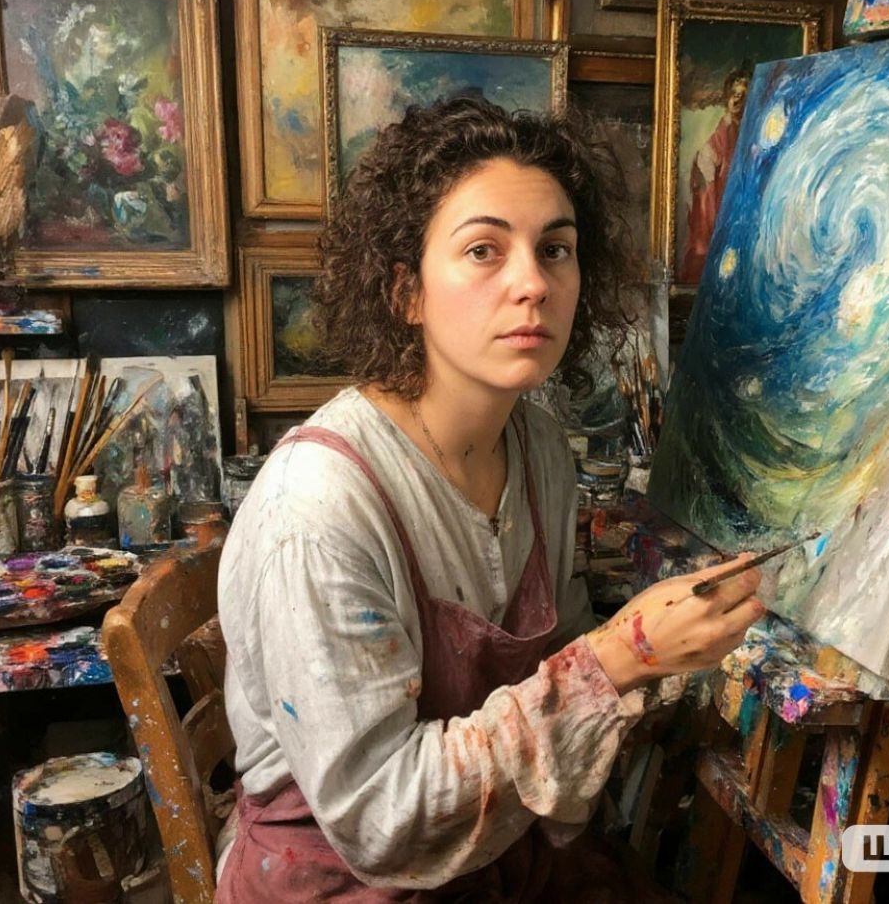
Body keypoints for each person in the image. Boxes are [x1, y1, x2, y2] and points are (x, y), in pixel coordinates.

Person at [215, 96, 765, 901]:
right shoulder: (320, 507)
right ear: (405, 291)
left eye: (556, 249)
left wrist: (652, 664)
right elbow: (379, 822)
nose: (532, 283)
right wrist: (624, 654)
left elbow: (560, 649)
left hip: (496, 853)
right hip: (341, 878)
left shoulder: (538, 448)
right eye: (483, 250)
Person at [679, 64, 752, 284]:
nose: (737, 101)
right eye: (734, 95)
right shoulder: (724, 129)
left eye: (742, 96)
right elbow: (707, 160)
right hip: (718, 200)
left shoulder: (746, 130)